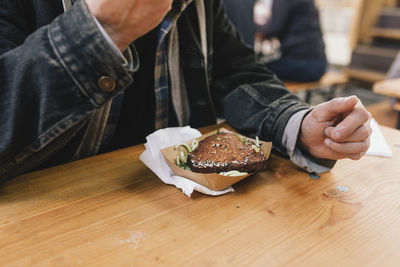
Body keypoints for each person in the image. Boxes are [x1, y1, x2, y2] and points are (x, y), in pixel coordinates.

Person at [0, 0, 371, 183]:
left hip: (181, 215)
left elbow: (237, 72)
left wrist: (297, 123)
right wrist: (100, 35)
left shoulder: (202, 5)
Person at [256, 0, 327, 82]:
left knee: (255, 71)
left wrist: (253, 28)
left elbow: (273, 29)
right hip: (319, 64)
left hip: (301, 65)